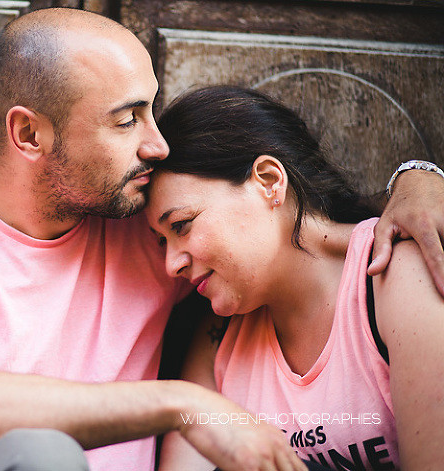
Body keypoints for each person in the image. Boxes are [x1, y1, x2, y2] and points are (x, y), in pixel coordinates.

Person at [0, 7, 444, 471]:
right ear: (29, 133)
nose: (156, 144)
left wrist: (418, 179)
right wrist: (182, 406)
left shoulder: (145, 227)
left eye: (151, 111)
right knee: (41, 456)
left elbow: (276, 218)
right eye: (126, 119)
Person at [148, 86, 444, 471]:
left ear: (269, 181)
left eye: (181, 225)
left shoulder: (394, 274)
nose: (171, 265)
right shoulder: (219, 338)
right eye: (162, 241)